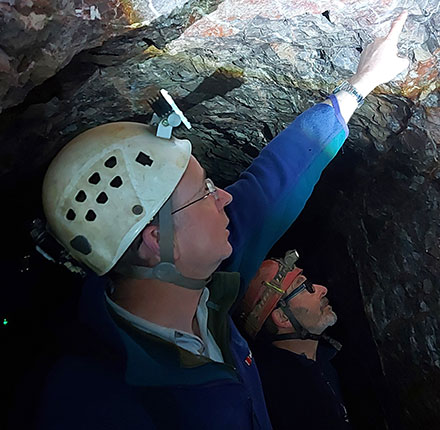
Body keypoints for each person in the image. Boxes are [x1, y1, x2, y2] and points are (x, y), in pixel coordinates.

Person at [29, 11, 410, 430]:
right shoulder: (98, 402)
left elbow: (272, 185)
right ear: (157, 240)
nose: (225, 196)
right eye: (205, 193)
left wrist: (361, 84)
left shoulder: (206, 285)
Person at [237, 250, 350, 430]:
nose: (323, 289)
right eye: (305, 288)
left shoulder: (322, 361)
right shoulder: (290, 395)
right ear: (282, 317)